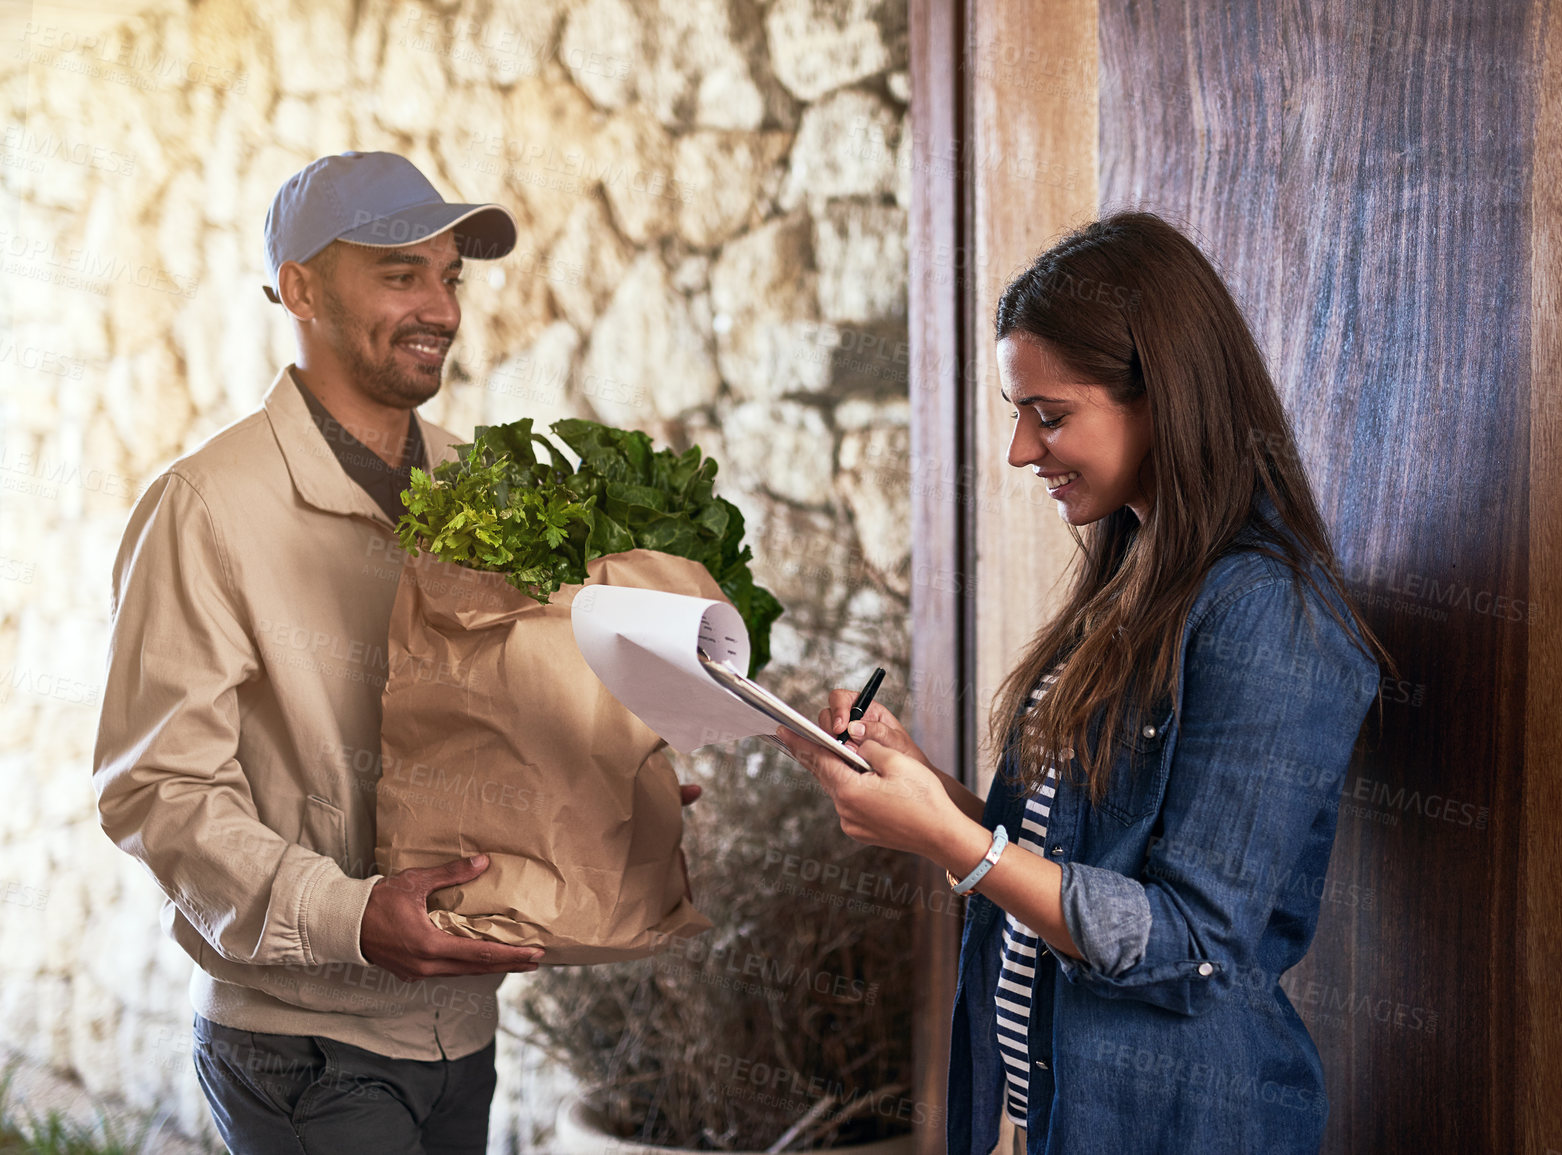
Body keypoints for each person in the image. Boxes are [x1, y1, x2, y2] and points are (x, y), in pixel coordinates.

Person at [91, 151, 701, 1154]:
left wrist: (597, 779)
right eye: (399, 273)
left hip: (461, 1029)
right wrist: (348, 918)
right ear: (300, 288)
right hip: (308, 1046)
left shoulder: (480, 484)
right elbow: (158, 791)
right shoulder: (206, 508)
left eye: (449, 275)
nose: (442, 307)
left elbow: (500, 717)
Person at [777, 211, 1393, 1155]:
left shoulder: (1266, 611)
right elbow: (1070, 855)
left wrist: (956, 843)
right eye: (1019, 414)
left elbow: (1189, 942)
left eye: (1050, 415)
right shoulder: (1130, 579)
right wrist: (922, 786)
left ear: (1165, 398)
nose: (1023, 451)